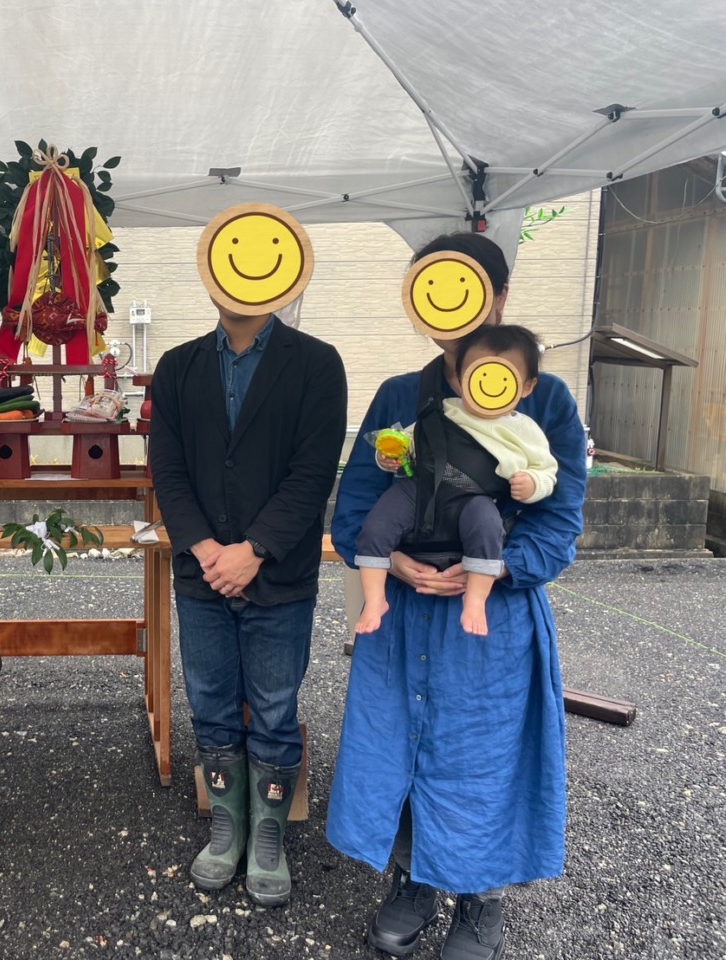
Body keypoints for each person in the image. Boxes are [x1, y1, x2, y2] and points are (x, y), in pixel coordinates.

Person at [326, 232, 586, 960]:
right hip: (404, 610)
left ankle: (481, 898)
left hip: (492, 619)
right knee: (402, 744)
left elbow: (560, 523)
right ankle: (415, 879)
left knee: (484, 753)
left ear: (497, 298)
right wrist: (396, 564)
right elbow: (355, 510)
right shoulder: (398, 395)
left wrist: (492, 570)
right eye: (431, 286)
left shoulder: (546, 397)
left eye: (463, 285)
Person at [149, 290, 347, 907]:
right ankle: (226, 828)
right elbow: (168, 470)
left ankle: (268, 837)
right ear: (210, 276)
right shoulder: (178, 366)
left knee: (274, 707)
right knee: (209, 703)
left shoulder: (316, 363)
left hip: (279, 575)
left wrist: (255, 549)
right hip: (202, 574)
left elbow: (313, 473)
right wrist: (206, 548)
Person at [355, 324, 558, 637]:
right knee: (376, 526)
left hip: (474, 497)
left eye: (502, 377)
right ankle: (375, 599)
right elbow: (406, 442)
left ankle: (475, 599)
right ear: (460, 379)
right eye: (478, 375)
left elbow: (546, 471)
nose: (489, 385)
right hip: (420, 489)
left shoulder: (525, 429)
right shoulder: (444, 410)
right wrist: (388, 456)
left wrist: (531, 484)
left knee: (488, 529)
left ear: (527, 387)